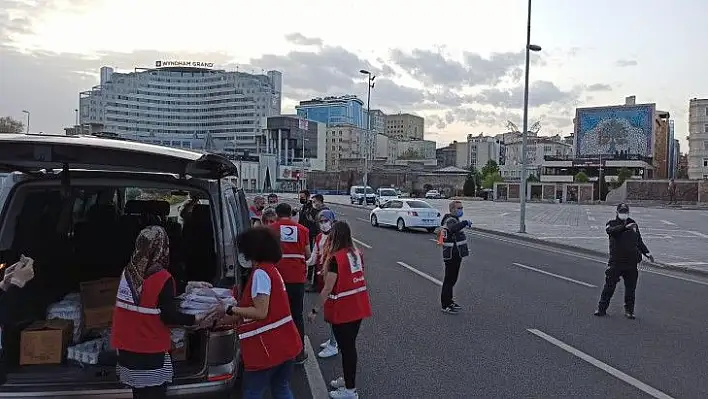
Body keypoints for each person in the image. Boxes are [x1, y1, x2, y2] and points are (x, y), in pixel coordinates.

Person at [111, 226, 219, 399]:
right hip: (149, 348)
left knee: (138, 393)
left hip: (126, 346)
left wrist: (188, 285)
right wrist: (197, 318)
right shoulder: (163, 277)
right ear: (162, 247)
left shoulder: (129, 273)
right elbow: (168, 315)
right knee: (154, 393)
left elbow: (148, 293)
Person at [222, 226, 302, 399]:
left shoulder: (260, 273)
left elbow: (260, 312)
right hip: (285, 343)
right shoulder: (272, 270)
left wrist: (228, 309)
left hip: (266, 348)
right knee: (281, 388)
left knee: (253, 392)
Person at [307, 221, 371, 399]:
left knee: (348, 349)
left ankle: (350, 390)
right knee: (348, 347)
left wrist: (315, 309)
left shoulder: (336, 258)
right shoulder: (356, 253)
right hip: (358, 304)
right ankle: (348, 380)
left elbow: (327, 288)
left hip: (344, 308)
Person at [594, 203, 654, 319]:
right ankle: (601, 309)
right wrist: (625, 227)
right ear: (617, 212)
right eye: (621, 211)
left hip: (631, 263)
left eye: (625, 211)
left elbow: (639, 241)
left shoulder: (633, 224)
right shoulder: (611, 223)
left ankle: (629, 311)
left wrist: (647, 253)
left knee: (631, 289)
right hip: (616, 262)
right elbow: (611, 231)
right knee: (609, 287)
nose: (623, 214)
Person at [270, 203, 311, 364]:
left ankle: (278, 352)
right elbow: (307, 255)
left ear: (276, 214)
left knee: (276, 315)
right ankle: (299, 353)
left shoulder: (270, 230)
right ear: (290, 213)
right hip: (297, 278)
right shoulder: (302, 230)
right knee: (297, 315)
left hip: (276, 278)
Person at [307, 209, 339, 358]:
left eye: (326, 221)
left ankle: (334, 344)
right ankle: (333, 339)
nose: (324, 224)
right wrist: (302, 263)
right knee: (329, 310)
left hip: (331, 276)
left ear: (332, 221)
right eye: (321, 222)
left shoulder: (336, 238)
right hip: (321, 276)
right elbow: (314, 257)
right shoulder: (319, 237)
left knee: (334, 312)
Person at [437, 200, 471, 314]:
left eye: (462, 208)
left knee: (452, 280)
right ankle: (445, 304)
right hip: (451, 254)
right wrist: (465, 222)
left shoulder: (454, 219)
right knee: (449, 280)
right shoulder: (450, 219)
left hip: (456, 254)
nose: (461, 210)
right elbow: (453, 228)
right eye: (459, 208)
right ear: (452, 210)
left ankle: (450, 301)